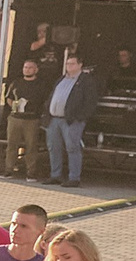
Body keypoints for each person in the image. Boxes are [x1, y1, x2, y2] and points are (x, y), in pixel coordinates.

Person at [44, 50, 103, 189]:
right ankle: (55, 175)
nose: (69, 66)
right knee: (53, 147)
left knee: (72, 148)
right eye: (67, 63)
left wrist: (80, 117)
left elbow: (90, 102)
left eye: (72, 64)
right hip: (54, 119)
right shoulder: (61, 79)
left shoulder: (85, 81)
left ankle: (74, 178)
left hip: (71, 121)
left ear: (80, 65)